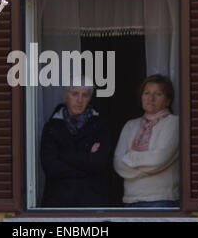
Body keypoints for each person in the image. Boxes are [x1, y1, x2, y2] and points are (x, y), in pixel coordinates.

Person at [40, 76, 111, 207]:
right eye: (75, 94)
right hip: (58, 202)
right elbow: (51, 167)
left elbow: (99, 163)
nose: (79, 100)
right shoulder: (52, 126)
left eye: (85, 95)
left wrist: (63, 154)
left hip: (92, 202)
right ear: (66, 96)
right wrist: (86, 160)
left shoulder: (100, 125)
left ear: (90, 98)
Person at [113, 74, 180, 208]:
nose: (150, 98)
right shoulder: (130, 125)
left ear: (167, 101)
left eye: (158, 94)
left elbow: (159, 158)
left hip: (161, 200)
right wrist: (148, 167)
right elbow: (118, 163)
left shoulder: (173, 123)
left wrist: (130, 159)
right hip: (130, 200)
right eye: (147, 93)